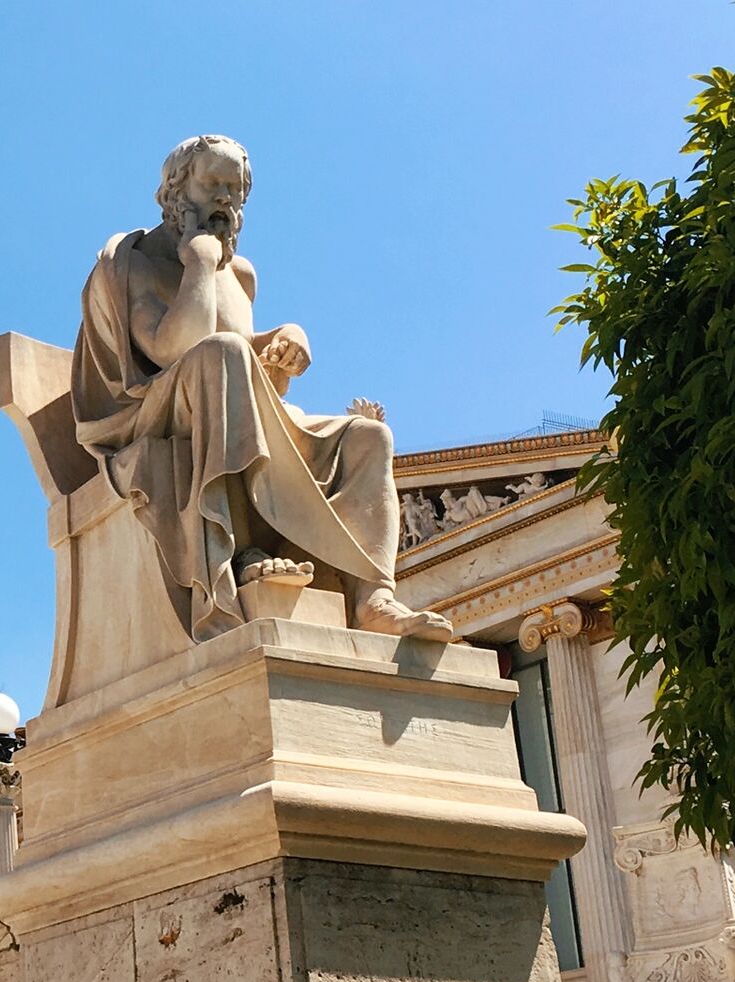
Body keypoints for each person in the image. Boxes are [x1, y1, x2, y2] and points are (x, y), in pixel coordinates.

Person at [71, 135, 453, 642]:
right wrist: (200, 264)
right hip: (149, 411)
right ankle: (241, 545)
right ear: (176, 189)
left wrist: (287, 338)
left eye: (236, 189)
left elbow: (246, 348)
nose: (226, 199)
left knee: (368, 438)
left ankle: (373, 595)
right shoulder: (130, 264)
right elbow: (174, 348)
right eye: (214, 183)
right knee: (222, 355)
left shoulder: (241, 274)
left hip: (224, 393)